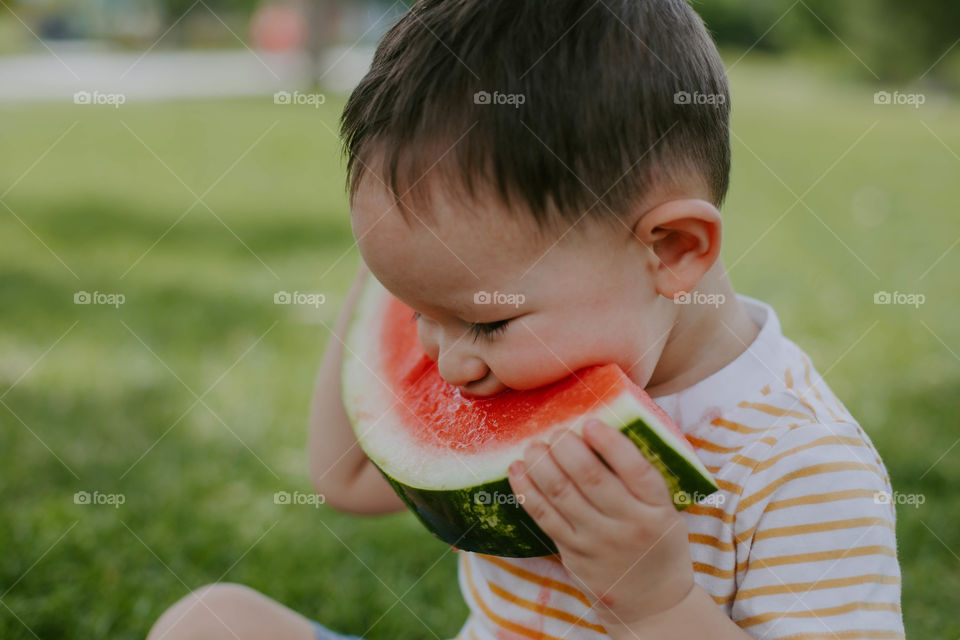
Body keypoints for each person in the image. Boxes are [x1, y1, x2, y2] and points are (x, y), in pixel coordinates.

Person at [147, 0, 905, 638]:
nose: (448, 364)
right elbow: (345, 475)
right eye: (419, 314)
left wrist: (660, 600)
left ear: (673, 250)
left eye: (486, 323)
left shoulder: (800, 463)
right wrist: (417, 269)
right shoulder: (512, 365)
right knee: (209, 621)